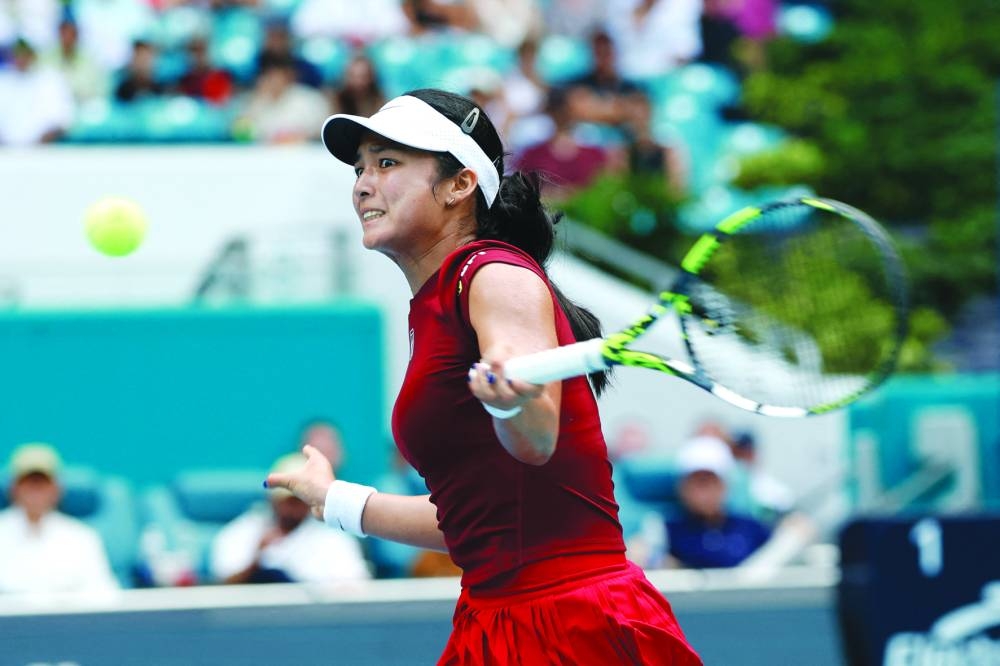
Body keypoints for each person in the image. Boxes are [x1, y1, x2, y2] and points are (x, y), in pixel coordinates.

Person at [266, 88, 701, 664]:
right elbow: (475, 521)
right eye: (360, 168)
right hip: (494, 617)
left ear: (459, 185)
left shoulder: (494, 275)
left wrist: (512, 403)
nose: (363, 184)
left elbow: (537, 438)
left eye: (387, 163)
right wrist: (334, 499)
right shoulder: (436, 303)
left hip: (571, 623)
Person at [210, 453, 370, 585]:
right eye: (287, 500)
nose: (292, 508)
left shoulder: (334, 540)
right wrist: (256, 561)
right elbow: (222, 587)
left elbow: (354, 588)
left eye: (299, 501)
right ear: (272, 499)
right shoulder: (241, 532)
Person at [0, 443, 119, 595]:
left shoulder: (82, 537)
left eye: (42, 483)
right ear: (14, 489)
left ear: (57, 489)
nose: (36, 491)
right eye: (29, 483)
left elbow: (105, 593)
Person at [663, 435, 772, 569]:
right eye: (698, 482)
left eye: (711, 482)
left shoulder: (751, 528)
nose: (704, 492)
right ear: (682, 488)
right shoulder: (667, 532)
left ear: (725, 485)